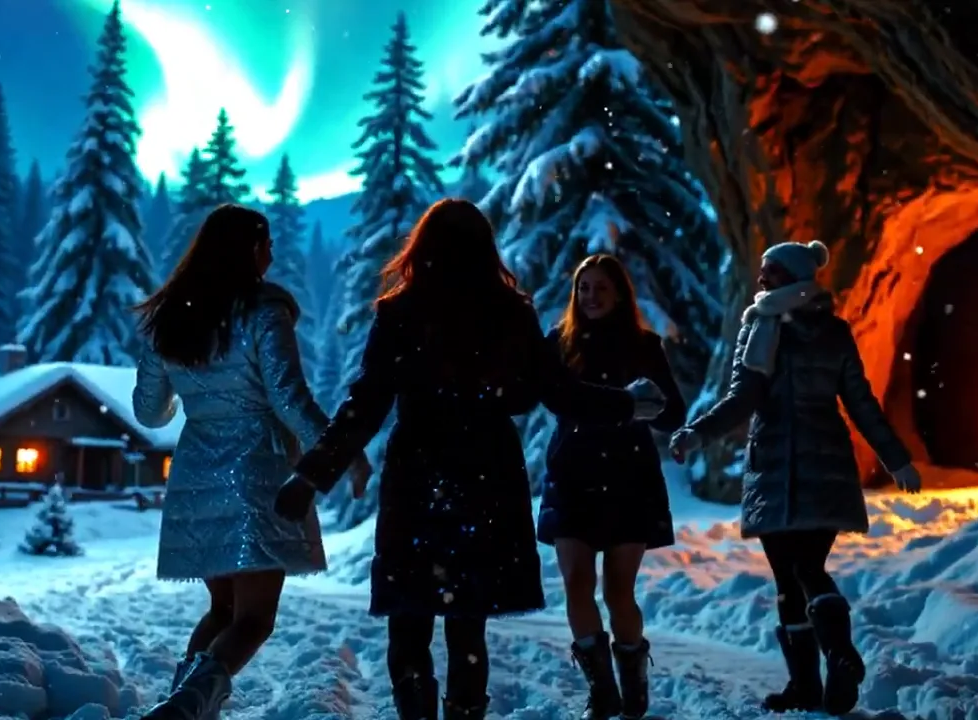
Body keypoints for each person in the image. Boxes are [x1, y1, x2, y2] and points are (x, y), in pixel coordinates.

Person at [272, 198, 666, 720]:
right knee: (467, 623)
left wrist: (310, 476)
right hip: (487, 478)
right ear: (486, 249)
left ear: (423, 248)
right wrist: (628, 402)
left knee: (410, 618)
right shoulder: (511, 313)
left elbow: (365, 404)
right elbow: (560, 392)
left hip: (419, 475)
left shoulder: (400, 312)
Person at [131, 204, 371, 720]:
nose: (271, 255)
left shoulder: (170, 316)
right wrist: (339, 451)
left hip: (196, 471)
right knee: (255, 618)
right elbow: (289, 398)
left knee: (223, 610)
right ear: (249, 250)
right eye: (266, 245)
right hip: (256, 470)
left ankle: (182, 703)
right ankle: (188, 707)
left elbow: (148, 412)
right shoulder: (263, 312)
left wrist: (191, 393)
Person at [669, 239, 921, 717]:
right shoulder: (833, 332)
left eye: (772, 272)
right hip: (826, 464)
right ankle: (818, 673)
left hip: (778, 467)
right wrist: (895, 457)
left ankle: (825, 666)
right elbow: (860, 403)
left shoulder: (761, 330)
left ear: (795, 276)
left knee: (794, 574)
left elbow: (744, 400)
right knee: (801, 570)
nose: (761, 279)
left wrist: (698, 434)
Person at [536, 254, 686, 720]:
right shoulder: (558, 344)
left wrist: (645, 405)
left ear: (619, 294)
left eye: (601, 288)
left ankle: (632, 671)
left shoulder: (643, 345)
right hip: (572, 477)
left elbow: (673, 412)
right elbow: (544, 392)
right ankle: (602, 689)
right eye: (584, 288)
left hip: (628, 478)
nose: (591, 296)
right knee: (576, 584)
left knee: (620, 591)